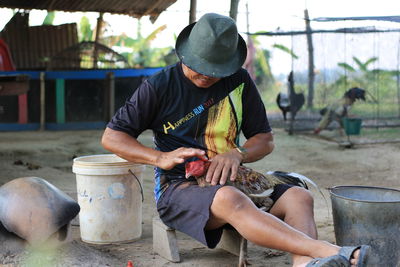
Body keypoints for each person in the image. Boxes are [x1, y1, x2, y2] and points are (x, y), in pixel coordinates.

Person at [102, 13, 370, 267]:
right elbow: (113, 137)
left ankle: (304, 263)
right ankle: (329, 251)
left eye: (215, 69)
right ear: (186, 53)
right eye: (199, 66)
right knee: (229, 197)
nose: (206, 74)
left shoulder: (239, 80)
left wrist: (237, 154)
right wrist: (160, 157)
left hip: (234, 178)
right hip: (179, 187)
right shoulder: (159, 86)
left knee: (299, 196)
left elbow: (265, 140)